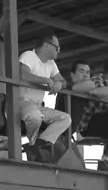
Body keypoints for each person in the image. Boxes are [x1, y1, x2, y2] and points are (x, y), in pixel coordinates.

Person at [18, 33, 72, 163]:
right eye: (57, 48)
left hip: (38, 105)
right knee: (35, 117)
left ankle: (39, 145)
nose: (58, 51)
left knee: (65, 118)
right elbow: (23, 75)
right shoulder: (28, 56)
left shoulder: (51, 63)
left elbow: (63, 82)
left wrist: (59, 83)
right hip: (22, 103)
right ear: (46, 45)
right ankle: (33, 145)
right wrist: (46, 80)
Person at [54, 60, 93, 136]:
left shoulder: (86, 90)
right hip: (59, 131)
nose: (85, 75)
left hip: (70, 134)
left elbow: (91, 84)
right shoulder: (66, 89)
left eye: (88, 73)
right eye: (81, 71)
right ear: (72, 75)